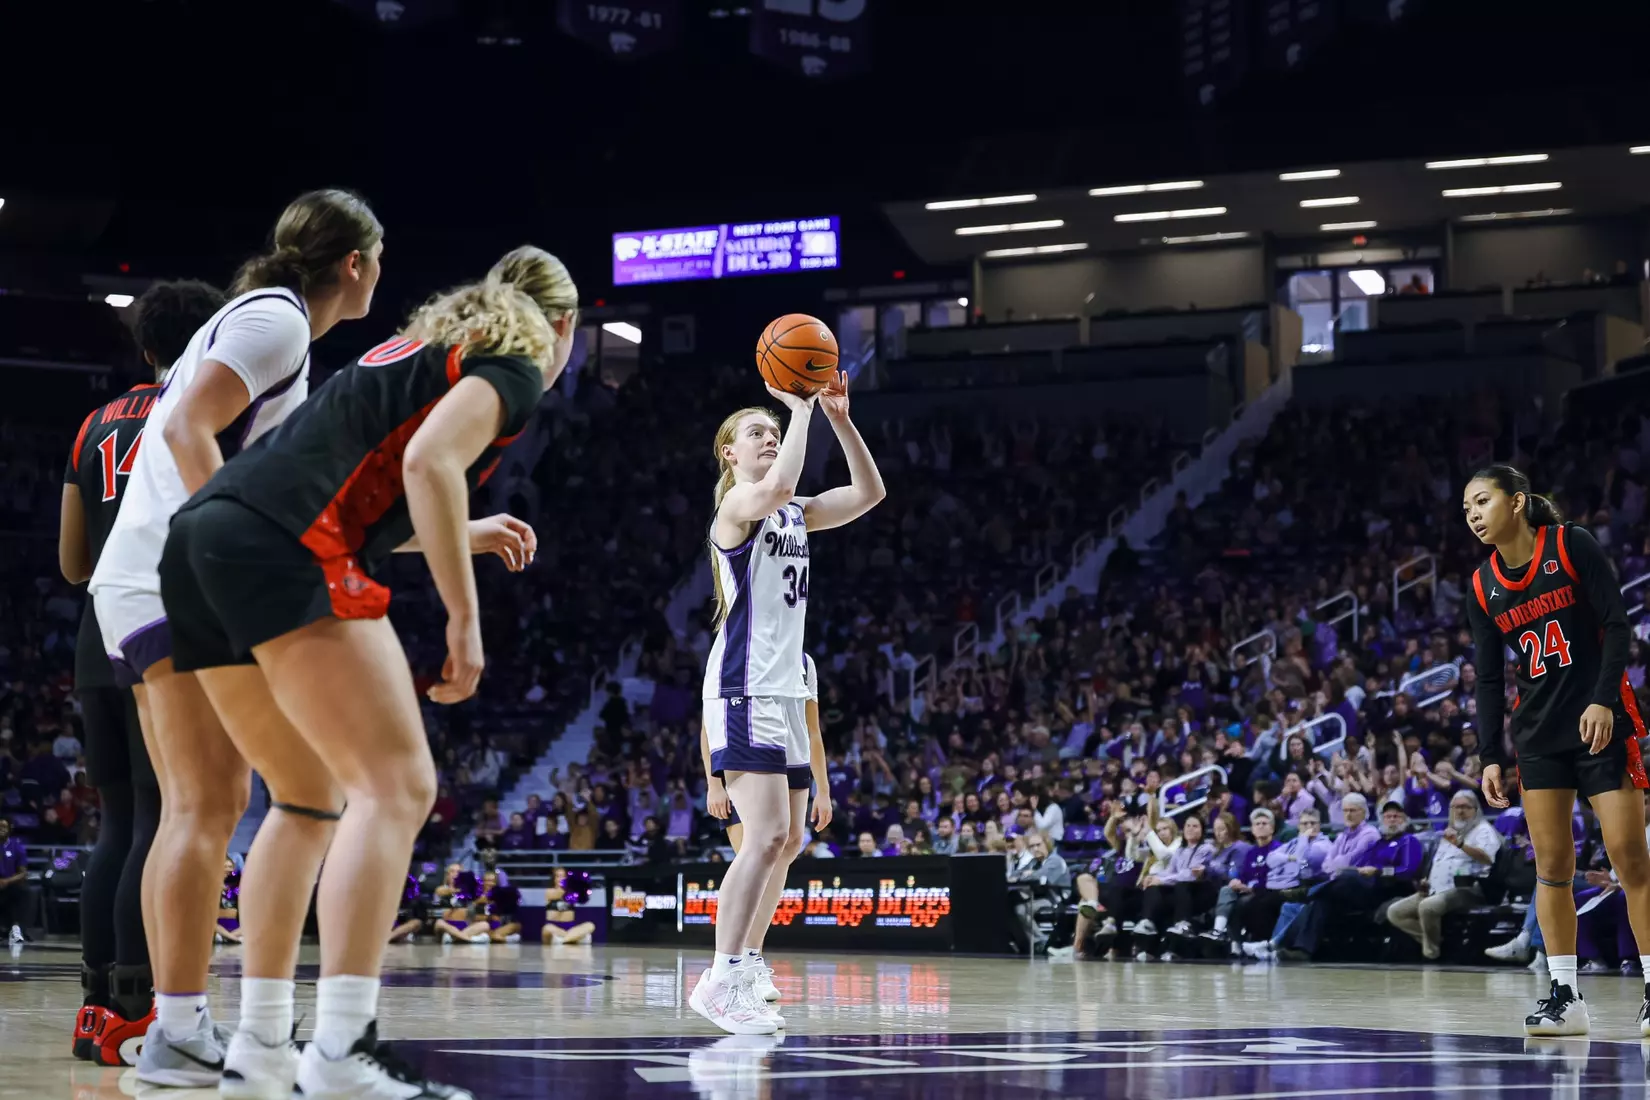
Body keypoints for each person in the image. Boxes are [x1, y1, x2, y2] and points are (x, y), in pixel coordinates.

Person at [153, 245, 576, 1098]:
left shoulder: (416, 350)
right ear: (562, 324)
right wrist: (465, 614)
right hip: (278, 546)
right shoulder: (520, 359)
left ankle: (261, 1049)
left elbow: (375, 487)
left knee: (307, 796)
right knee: (398, 787)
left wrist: (469, 533)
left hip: (202, 541)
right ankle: (344, 1047)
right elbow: (430, 464)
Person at [86, 189, 385, 1091]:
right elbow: (181, 429)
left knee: (201, 807)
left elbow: (313, 502)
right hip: (176, 574)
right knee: (231, 805)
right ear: (357, 264)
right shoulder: (279, 320)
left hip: (144, 575)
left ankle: (179, 1028)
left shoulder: (272, 329)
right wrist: (231, 552)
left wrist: (472, 525)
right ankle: (197, 1030)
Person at [58, 279, 226, 1065]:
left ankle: (96, 1006)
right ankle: (141, 1001)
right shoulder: (201, 410)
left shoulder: (94, 422)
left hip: (97, 627)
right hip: (160, 624)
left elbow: (70, 562)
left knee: (116, 823)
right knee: (168, 818)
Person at [689, 368, 885, 1036]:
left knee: (790, 841)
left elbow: (870, 491)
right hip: (744, 688)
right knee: (765, 835)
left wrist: (837, 417)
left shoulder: (797, 513)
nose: (769, 438)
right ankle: (718, 979)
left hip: (784, 686)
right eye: (757, 433)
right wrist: (796, 409)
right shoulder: (739, 506)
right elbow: (773, 488)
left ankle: (746, 963)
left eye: (773, 431)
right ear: (730, 455)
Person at [1464, 464, 1650, 1036]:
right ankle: (1565, 997)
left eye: (1482, 501)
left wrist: (1601, 700)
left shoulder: (1570, 546)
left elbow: (1618, 626)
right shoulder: (1481, 583)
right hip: (1538, 736)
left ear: (1517, 502)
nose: (1472, 514)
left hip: (1598, 722)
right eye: (1465, 507)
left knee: (1627, 855)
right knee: (1551, 868)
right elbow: (1490, 678)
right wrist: (1489, 754)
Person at [702, 652, 833, 1006]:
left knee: (788, 848)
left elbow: (813, 730)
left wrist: (824, 788)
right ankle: (730, 962)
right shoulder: (739, 650)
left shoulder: (805, 662)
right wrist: (713, 784)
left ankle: (752, 957)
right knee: (757, 851)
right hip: (749, 756)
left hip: (793, 758)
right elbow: (709, 724)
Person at [1385, 789, 1500, 959]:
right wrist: (1427, 880)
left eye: (1465, 807)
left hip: (1468, 889)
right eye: (1455, 807)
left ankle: (1432, 954)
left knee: (1427, 907)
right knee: (1395, 912)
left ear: (1475, 810)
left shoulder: (1483, 830)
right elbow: (1439, 862)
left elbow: (1487, 859)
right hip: (1435, 889)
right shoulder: (1450, 832)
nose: (1460, 811)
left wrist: (1461, 844)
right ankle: (1441, 941)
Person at [541, 866, 596, 946]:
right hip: (554, 927)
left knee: (590, 925)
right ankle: (573, 938)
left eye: (563, 876)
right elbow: (560, 893)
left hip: (570, 927)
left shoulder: (573, 892)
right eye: (558, 876)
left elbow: (583, 898)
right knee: (546, 929)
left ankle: (564, 940)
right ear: (554, 879)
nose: (561, 879)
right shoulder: (549, 892)